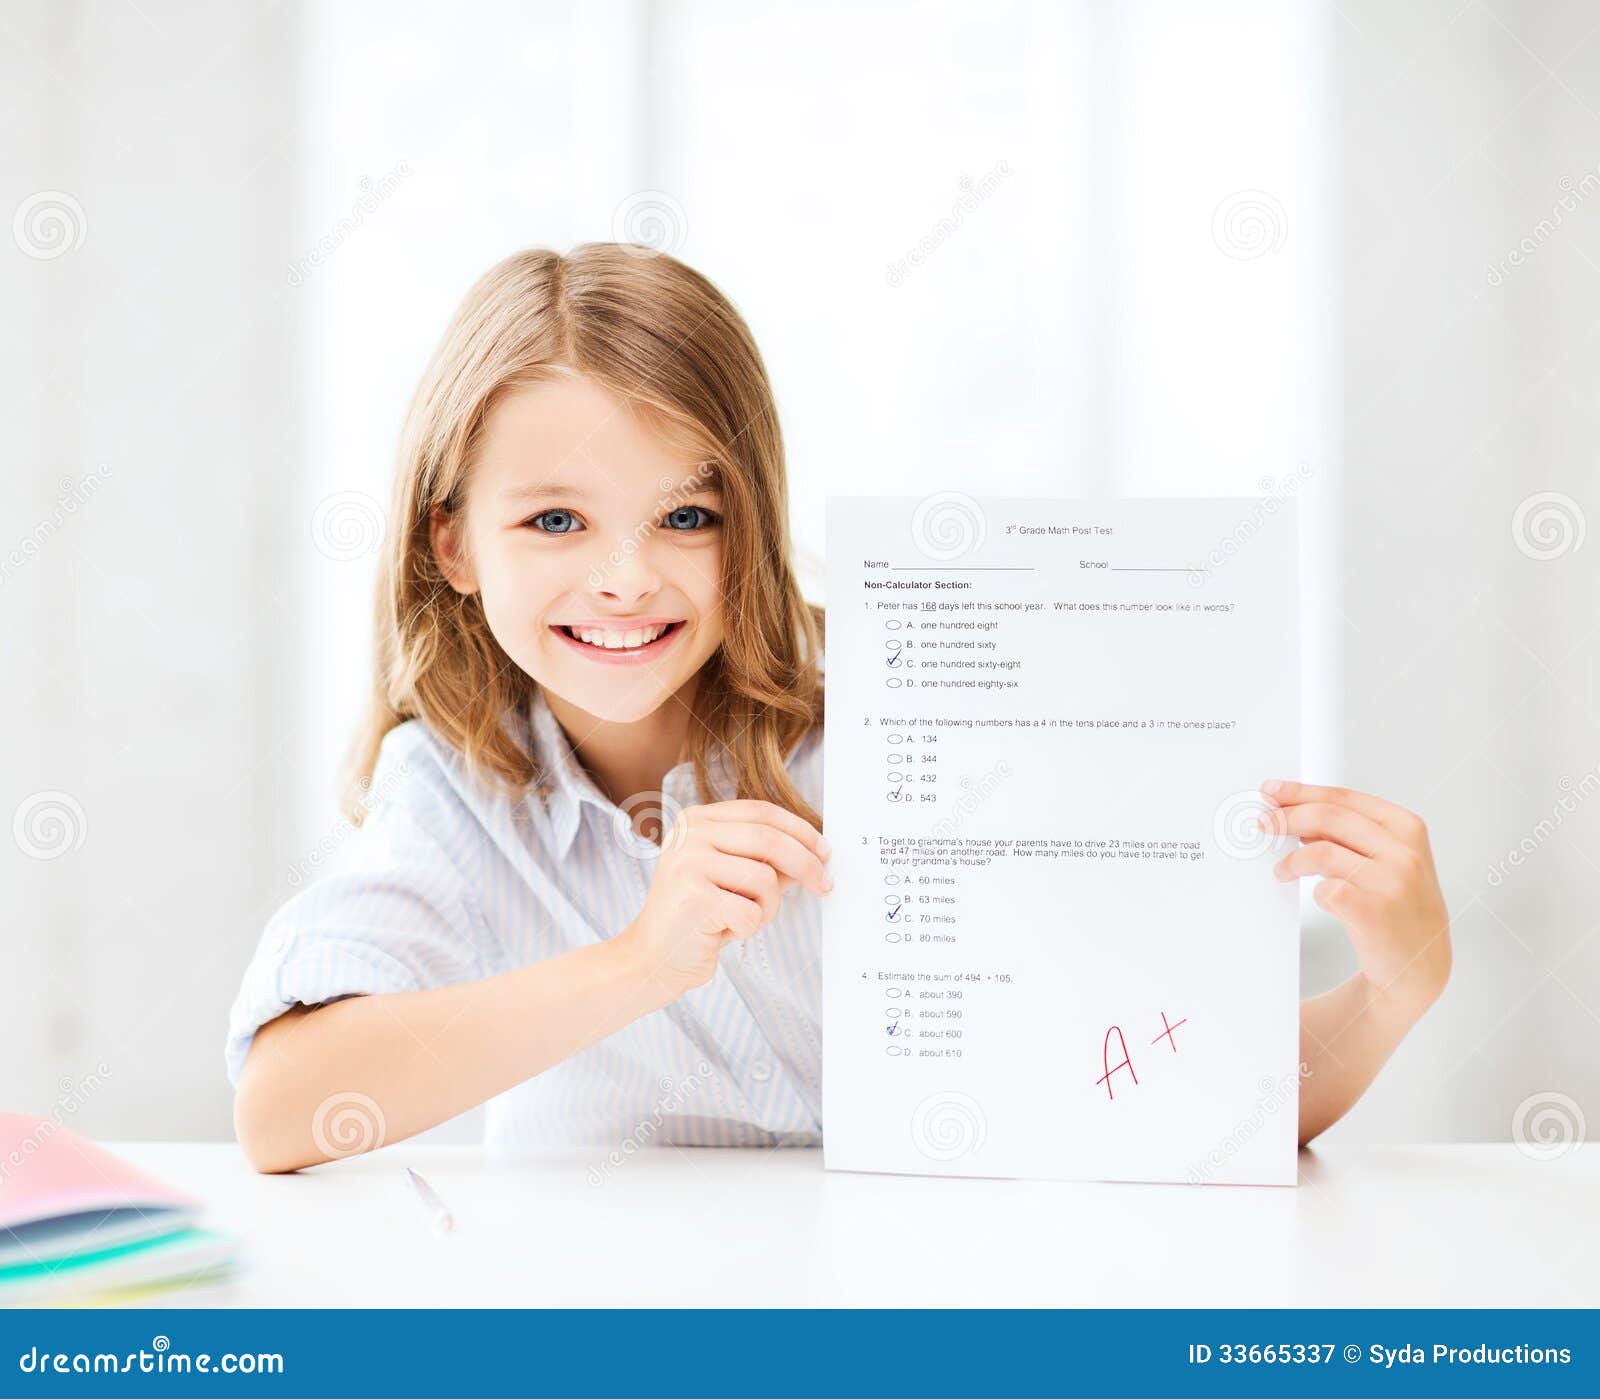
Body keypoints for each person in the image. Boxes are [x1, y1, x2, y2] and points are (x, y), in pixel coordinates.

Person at [227, 245, 1451, 1173]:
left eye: (686, 517)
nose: (623, 575)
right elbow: (284, 1110)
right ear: (451, 543)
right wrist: (637, 965)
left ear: (748, 523)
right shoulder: (451, 785)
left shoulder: (903, 726)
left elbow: (1180, 1105)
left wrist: (1391, 988)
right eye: (554, 519)